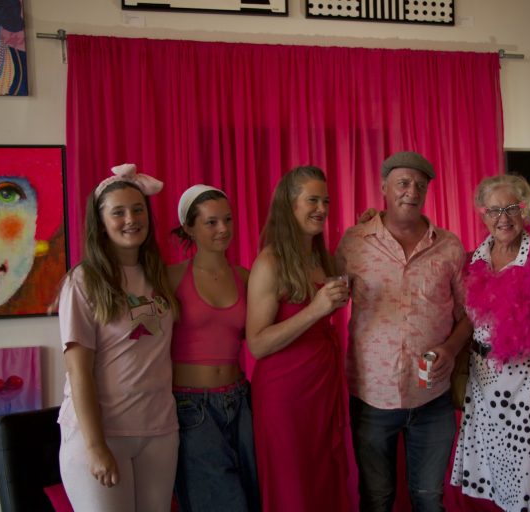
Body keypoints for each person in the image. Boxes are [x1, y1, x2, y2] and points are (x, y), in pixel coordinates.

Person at [336, 151, 471, 512]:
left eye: (419, 185)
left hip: (432, 396)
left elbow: (469, 315)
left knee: (429, 499)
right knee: (377, 499)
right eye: (403, 183)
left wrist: (452, 349)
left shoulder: (449, 246)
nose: (411, 191)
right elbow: (323, 297)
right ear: (383, 187)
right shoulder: (354, 242)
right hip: (371, 395)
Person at [57, 164, 180, 511]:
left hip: (158, 430)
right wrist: (95, 447)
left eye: (138, 209)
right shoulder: (83, 281)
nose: (131, 219)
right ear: (100, 221)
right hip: (103, 434)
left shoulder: (158, 275)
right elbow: (78, 371)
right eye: (119, 212)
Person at [450, 174, 530, 512]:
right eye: (494, 210)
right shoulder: (474, 260)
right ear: (482, 215)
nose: (503, 218)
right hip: (484, 382)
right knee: (500, 476)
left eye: (512, 208)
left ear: (525, 212)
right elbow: (468, 319)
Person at [245, 166, 350, 512]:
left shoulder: (320, 256)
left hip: (322, 387)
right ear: (289, 206)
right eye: (312, 200)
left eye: (326, 200)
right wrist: (317, 308)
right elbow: (257, 344)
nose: (321, 208)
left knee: (323, 479)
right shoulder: (269, 262)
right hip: (285, 397)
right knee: (294, 488)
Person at [169, 185, 261, 512]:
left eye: (228, 219)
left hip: (240, 401)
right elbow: (137, 328)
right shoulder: (169, 278)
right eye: (211, 222)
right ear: (189, 228)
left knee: (254, 497)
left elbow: (265, 336)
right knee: (220, 503)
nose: (223, 229)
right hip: (191, 407)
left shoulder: (246, 278)